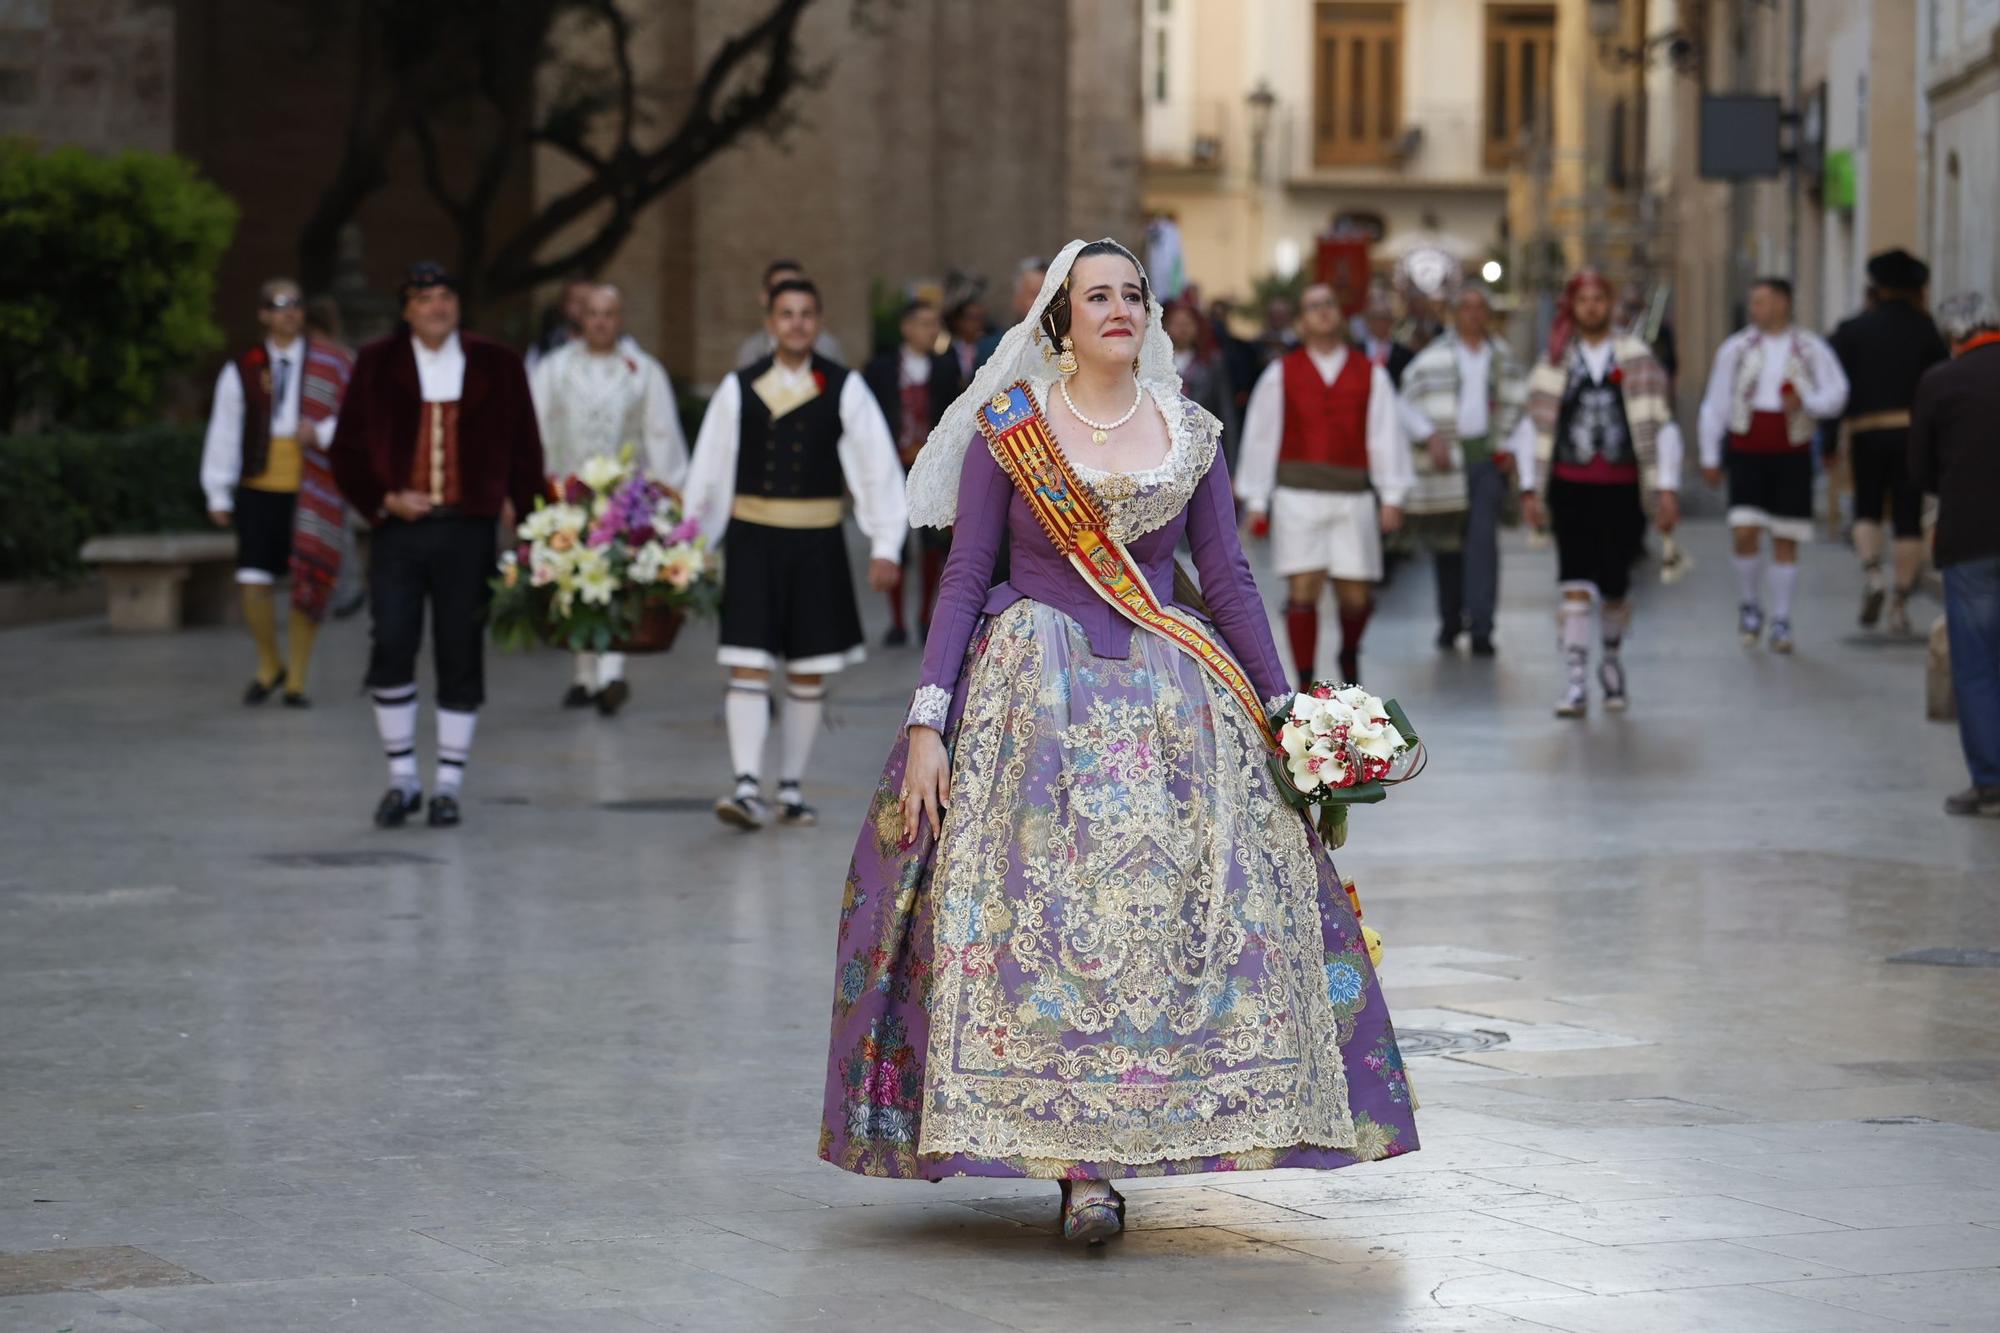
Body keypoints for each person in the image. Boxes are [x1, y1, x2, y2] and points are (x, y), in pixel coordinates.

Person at [818, 239, 1419, 1241]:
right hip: (1027, 701)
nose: (1118, 308)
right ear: (1057, 319)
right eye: (1096, 295)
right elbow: (963, 580)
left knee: (1178, 922)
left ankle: (1150, 1131)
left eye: (1132, 294)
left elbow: (1224, 579)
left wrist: (1285, 711)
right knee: (1045, 923)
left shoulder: (1188, 433)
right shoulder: (1007, 432)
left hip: (1169, 696)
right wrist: (928, 721)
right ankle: (1077, 1166)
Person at [685, 278, 906, 830]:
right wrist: (691, 545)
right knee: (747, 660)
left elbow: (876, 469)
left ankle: (790, 787)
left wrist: (885, 544)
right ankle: (744, 785)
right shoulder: (739, 387)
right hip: (752, 541)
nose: (797, 323)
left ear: (819, 321)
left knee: (808, 670)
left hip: (816, 544)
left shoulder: (844, 387)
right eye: (787, 314)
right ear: (771, 322)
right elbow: (709, 471)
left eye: (807, 313)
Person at [330, 262, 545, 829]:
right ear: (406, 309)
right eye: (424, 298)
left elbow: (525, 449)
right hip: (398, 531)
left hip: (468, 529)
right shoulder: (377, 364)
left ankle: (449, 783)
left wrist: (532, 528)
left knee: (460, 647)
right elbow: (346, 449)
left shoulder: (496, 363)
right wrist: (385, 499)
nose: (437, 307)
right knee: (392, 641)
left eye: (447, 296)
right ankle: (402, 778)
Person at [1512, 269, 1683, 718]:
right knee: (1573, 580)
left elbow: (1661, 425)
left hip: (1624, 487)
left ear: (1610, 304)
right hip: (1569, 486)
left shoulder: (1637, 357)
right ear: (1572, 306)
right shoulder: (1553, 362)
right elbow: (1531, 427)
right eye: (1582, 299)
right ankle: (1574, 680)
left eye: (1598, 299)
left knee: (1614, 584)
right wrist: (1530, 489)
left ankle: (1610, 661)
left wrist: (1667, 488)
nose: (1591, 307)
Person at [1236, 281, 1414, 685]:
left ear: (1341, 316)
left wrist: (1392, 495)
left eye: (1330, 303)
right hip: (1297, 495)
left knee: (1356, 596)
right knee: (1304, 588)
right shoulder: (1281, 374)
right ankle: (1305, 682)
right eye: (1313, 305)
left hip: (1353, 497)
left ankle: (1349, 659)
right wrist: (1258, 501)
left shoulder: (1371, 374)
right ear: (1300, 322)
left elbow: (1384, 436)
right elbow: (1262, 436)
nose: (1323, 311)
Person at [529, 283, 692, 714]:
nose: (601, 321)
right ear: (581, 318)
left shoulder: (642, 371)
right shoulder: (554, 368)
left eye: (610, 313)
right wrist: (536, 485)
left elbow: (660, 432)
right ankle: (584, 675)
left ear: (620, 319)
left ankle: (613, 673)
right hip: (568, 492)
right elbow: (538, 428)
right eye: (594, 313)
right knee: (576, 578)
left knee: (621, 576)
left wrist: (670, 490)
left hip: (627, 496)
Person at [199, 278, 356, 706]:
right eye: (278, 305)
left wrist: (322, 431)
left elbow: (359, 416)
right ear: (263, 315)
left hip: (312, 485)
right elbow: (224, 429)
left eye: (295, 305)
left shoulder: (332, 362)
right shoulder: (243, 367)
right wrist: (217, 491)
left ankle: (298, 678)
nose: (288, 312)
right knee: (253, 577)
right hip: (257, 483)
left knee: (310, 578)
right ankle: (269, 663)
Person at [1696, 277, 1850, 653]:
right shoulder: (1735, 349)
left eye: (1762, 301)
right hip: (1747, 447)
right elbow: (1715, 402)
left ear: (1783, 302)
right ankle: (1750, 604)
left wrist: (1808, 401)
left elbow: (1838, 392)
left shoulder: (1811, 348)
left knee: (1786, 534)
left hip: (1791, 449)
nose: (1755, 309)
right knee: (1745, 530)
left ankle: (1781, 618)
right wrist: (1710, 455)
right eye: (1753, 302)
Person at [1398, 285, 1528, 655]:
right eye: (1465, 306)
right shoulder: (1433, 358)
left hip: (1486, 458)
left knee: (1483, 543)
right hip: (1447, 461)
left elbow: (1520, 409)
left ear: (1488, 314)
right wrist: (1430, 436)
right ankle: (1450, 619)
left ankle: (1483, 626)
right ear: (1455, 313)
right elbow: (1404, 402)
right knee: (1447, 540)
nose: (1473, 314)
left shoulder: (1504, 358)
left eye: (1479, 307)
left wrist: (1511, 448)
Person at [1909, 292, 2000, 817]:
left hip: (1971, 537)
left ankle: (1990, 783)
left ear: (1953, 336)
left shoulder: (1940, 382)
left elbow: (1919, 469)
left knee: (1978, 664)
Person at [1830, 249, 1950, 635]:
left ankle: (1872, 574)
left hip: (1866, 431)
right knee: (1908, 516)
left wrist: (1829, 441)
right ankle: (1899, 600)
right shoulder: (1928, 331)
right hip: (1913, 433)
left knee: (1866, 506)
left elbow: (1833, 392)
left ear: (1877, 287)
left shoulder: (1851, 331)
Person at [864, 300, 962, 647]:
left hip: (931, 466)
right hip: (892, 464)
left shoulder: (945, 367)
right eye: (923, 323)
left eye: (935, 323)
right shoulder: (881, 368)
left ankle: (925, 615)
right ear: (906, 327)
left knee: (933, 544)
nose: (930, 331)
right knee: (896, 540)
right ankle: (896, 620)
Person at [1164, 298, 1238, 472]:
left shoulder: (1212, 362)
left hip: (1200, 450)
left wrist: (1231, 466)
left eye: (1187, 323)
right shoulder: (1154, 364)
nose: (1182, 329)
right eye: (1176, 323)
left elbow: (1226, 412)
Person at [735, 259, 846, 369]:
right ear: (765, 297)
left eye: (794, 286)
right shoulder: (751, 349)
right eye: (780, 288)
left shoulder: (828, 347)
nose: (796, 324)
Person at [975, 257, 1045, 370]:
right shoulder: (993, 350)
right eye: (1034, 295)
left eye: (1050, 294)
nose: (1044, 302)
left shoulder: (1071, 348)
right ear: (1017, 300)